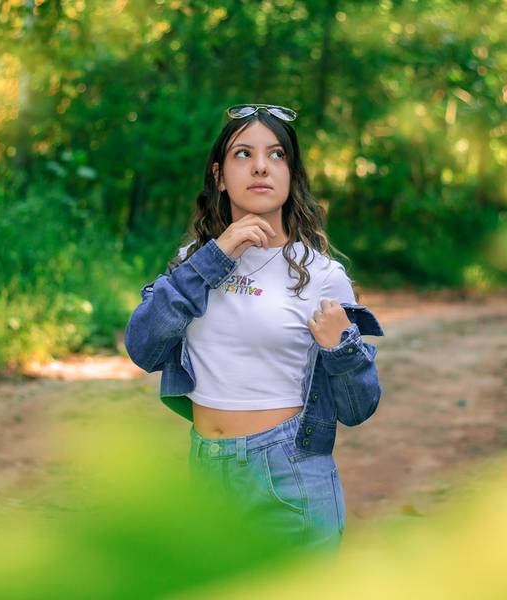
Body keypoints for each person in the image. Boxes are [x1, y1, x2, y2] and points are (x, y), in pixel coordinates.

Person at [124, 103, 384, 555]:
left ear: (291, 175)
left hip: (288, 473)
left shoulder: (323, 276)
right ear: (220, 176)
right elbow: (142, 346)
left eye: (276, 154)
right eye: (243, 153)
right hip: (207, 473)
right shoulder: (193, 262)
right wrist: (216, 254)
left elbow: (358, 408)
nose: (261, 166)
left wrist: (340, 348)